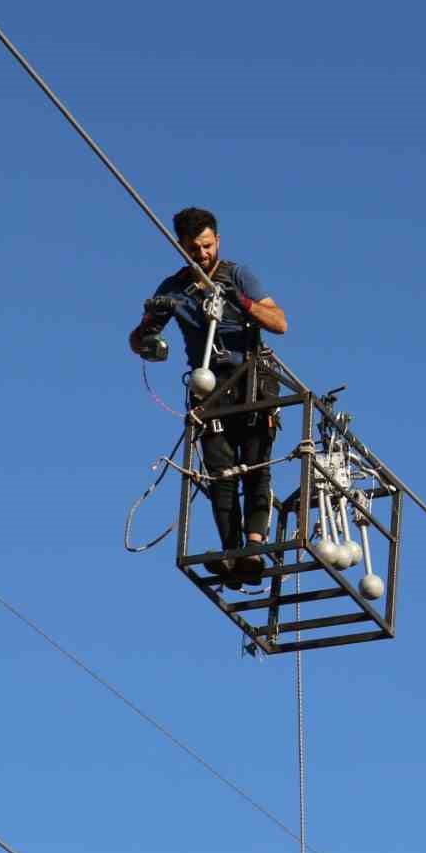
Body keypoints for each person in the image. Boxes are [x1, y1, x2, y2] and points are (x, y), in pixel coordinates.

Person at [130, 206, 288, 587]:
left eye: (206, 245)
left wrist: (243, 303)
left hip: (251, 376)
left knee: (253, 465)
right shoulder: (173, 289)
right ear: (181, 247)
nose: (202, 255)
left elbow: (280, 322)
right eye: (193, 249)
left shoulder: (236, 275)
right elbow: (136, 341)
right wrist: (150, 323)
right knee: (220, 470)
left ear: (217, 240)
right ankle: (232, 554)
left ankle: (253, 548)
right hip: (208, 385)